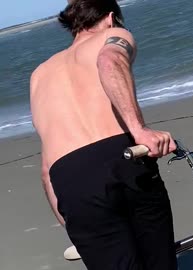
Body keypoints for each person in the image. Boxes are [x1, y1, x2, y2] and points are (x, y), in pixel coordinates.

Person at [29, 0, 178, 269]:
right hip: (121, 157)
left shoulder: (39, 75)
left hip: (69, 179)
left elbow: (46, 169)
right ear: (111, 18)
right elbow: (109, 60)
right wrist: (139, 130)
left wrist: (74, 222)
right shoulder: (114, 35)